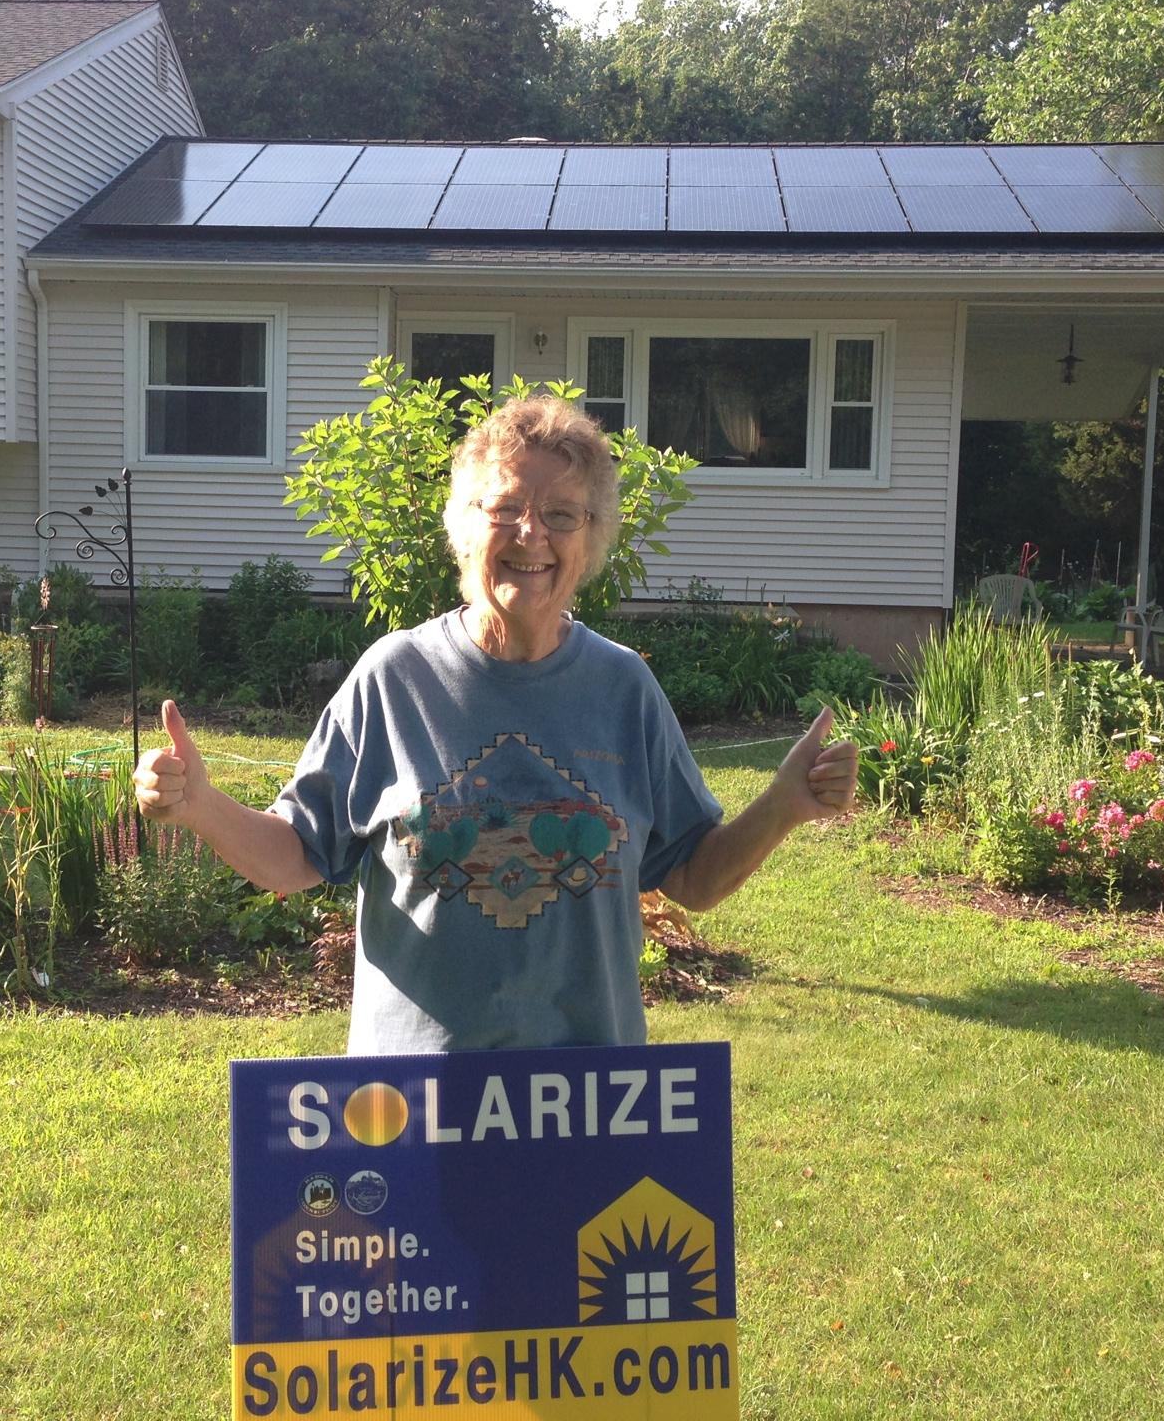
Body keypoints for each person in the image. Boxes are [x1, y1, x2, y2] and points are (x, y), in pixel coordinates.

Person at [134, 396, 857, 1054]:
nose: (531, 534)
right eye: (505, 508)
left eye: (562, 514)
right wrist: (200, 805)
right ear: (463, 526)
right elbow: (295, 855)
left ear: (591, 538)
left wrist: (783, 805)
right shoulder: (395, 678)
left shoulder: (623, 689)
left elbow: (692, 875)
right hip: (417, 1105)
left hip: (586, 1102)